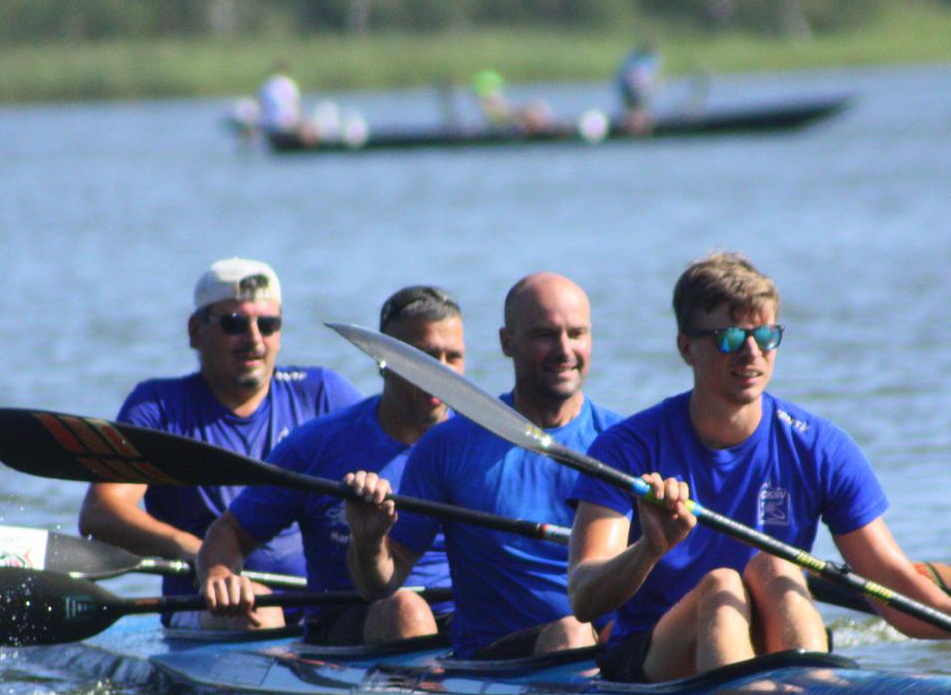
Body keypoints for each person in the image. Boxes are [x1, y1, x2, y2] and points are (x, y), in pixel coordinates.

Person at [566, 252, 951, 683]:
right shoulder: (627, 448)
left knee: (779, 567)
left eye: (765, 336)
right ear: (687, 348)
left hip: (771, 644)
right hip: (654, 656)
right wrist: (650, 548)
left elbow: (888, 583)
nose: (751, 354)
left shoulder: (820, 447)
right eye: (729, 338)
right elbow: (585, 598)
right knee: (721, 586)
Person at [345, 273, 622, 659]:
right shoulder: (449, 445)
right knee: (572, 632)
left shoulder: (624, 442)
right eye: (545, 335)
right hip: (495, 659)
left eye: (576, 334)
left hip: (606, 648)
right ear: (507, 342)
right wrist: (369, 540)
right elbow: (380, 585)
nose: (564, 350)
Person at [78, 258, 361, 627]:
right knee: (257, 607)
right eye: (234, 324)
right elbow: (101, 513)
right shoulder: (159, 408)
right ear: (196, 331)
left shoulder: (322, 393)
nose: (255, 339)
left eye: (268, 324)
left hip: (317, 599)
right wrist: (199, 552)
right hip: (206, 603)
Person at [196, 286, 463, 645]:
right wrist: (219, 574)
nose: (440, 372)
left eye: (453, 358)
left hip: (460, 616)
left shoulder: (481, 443)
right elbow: (230, 533)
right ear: (383, 359)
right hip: (348, 620)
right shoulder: (319, 445)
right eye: (426, 358)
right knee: (406, 609)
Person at [472, 69, 551, 134]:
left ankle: (544, 126)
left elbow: (510, 110)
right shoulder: (487, 102)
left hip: (512, 126)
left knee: (538, 103)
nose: (498, 92)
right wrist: (524, 111)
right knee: (531, 111)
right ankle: (543, 129)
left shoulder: (493, 102)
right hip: (505, 130)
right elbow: (505, 115)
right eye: (495, 88)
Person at [615, 41, 661, 134]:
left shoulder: (632, 57)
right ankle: (637, 129)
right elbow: (641, 78)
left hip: (628, 88)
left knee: (632, 111)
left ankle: (631, 127)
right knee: (638, 111)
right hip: (636, 89)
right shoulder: (648, 60)